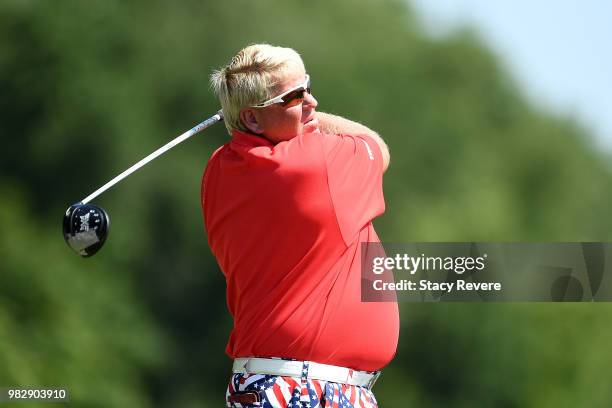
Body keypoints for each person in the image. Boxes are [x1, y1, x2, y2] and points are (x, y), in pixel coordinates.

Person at [202, 44, 399, 408]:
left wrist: (280, 114)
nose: (313, 102)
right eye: (293, 97)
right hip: (303, 387)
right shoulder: (316, 165)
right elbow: (376, 147)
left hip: (275, 383)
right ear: (253, 119)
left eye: (307, 86)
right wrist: (314, 124)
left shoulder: (217, 171)